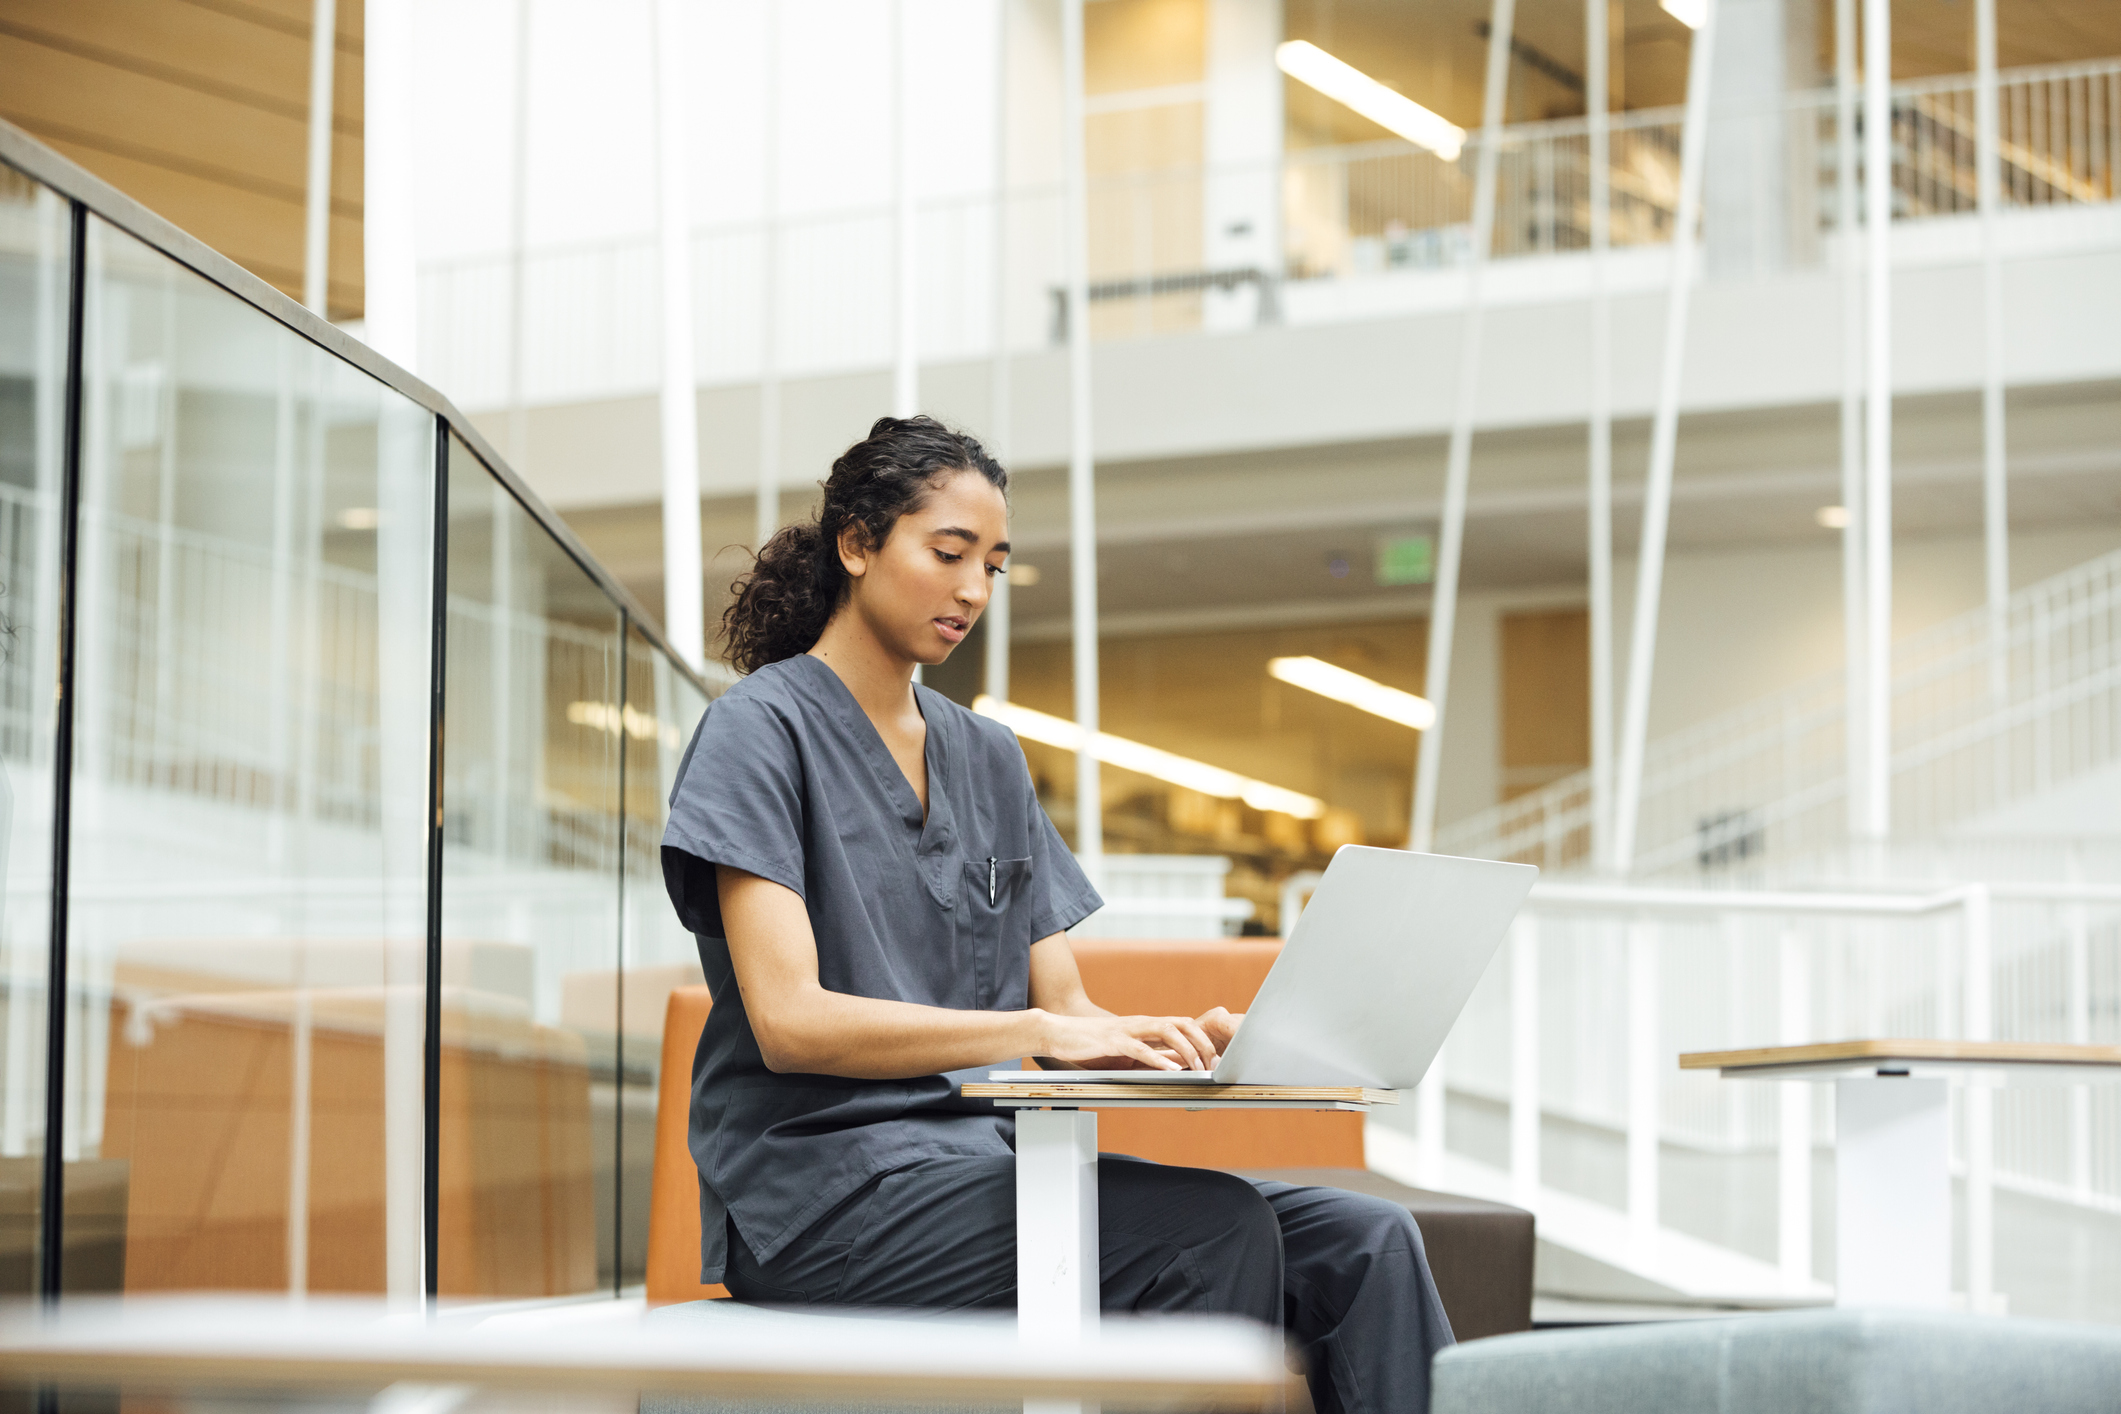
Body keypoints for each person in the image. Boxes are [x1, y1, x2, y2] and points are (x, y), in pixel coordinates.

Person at [661, 416, 1456, 1414]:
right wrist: (1036, 1031)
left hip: (989, 1168)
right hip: (826, 1200)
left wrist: (1181, 1043)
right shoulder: (759, 732)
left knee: (1369, 1240)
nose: (973, 592)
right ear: (858, 544)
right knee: (1209, 1228)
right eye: (949, 554)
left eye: (993, 565)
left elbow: (1063, 1000)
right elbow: (789, 1020)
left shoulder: (987, 759)